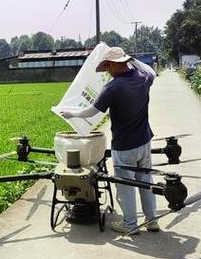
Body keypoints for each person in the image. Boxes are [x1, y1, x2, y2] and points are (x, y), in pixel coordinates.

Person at [59, 46, 159, 235]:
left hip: (124, 146)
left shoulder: (113, 87)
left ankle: (130, 225)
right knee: (146, 181)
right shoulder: (142, 78)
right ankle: (152, 220)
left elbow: (91, 111)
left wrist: (70, 113)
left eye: (107, 67)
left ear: (114, 64)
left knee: (126, 186)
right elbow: (151, 71)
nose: (107, 71)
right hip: (144, 142)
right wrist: (130, 59)